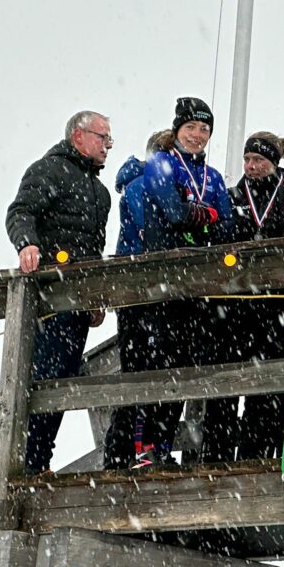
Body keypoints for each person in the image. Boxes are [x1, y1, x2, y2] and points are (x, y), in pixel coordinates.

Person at [127, 97, 233, 468]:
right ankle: (142, 449)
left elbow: (228, 226)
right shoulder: (161, 163)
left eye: (204, 129)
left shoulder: (213, 176)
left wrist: (203, 217)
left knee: (183, 367)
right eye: (190, 127)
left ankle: (160, 448)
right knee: (157, 364)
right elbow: (172, 212)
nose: (197, 135)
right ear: (177, 130)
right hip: (163, 282)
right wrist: (208, 215)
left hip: (198, 286)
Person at [5, 110, 112, 473]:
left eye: (109, 139)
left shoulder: (100, 193)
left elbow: (95, 251)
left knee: (63, 381)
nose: (107, 145)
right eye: (102, 137)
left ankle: (39, 461)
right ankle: (28, 464)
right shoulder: (48, 170)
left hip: (80, 303)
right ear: (78, 136)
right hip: (49, 301)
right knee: (42, 380)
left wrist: (96, 298)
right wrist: (26, 244)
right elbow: (20, 212)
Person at [103, 129, 171, 470]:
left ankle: (144, 449)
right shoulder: (142, 185)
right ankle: (128, 451)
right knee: (141, 370)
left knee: (151, 369)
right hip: (139, 291)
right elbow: (154, 230)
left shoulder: (148, 184)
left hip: (152, 290)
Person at [227, 131, 284, 460]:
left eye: (259, 160)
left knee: (279, 379)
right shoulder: (234, 195)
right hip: (242, 301)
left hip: (281, 300)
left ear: (273, 162)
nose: (252, 166)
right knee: (245, 379)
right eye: (248, 159)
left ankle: (278, 451)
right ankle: (247, 453)